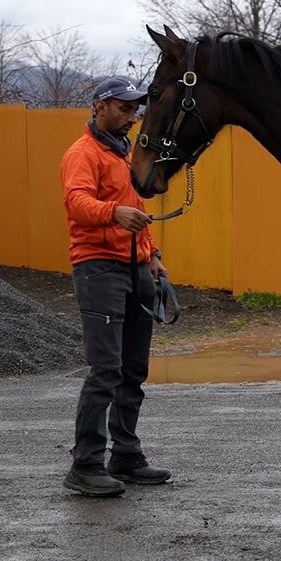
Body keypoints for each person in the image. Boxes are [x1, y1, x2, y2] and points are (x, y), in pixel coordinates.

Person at [59, 76, 172, 497]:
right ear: (100, 106)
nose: (132, 117)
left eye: (136, 110)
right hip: (99, 268)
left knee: (132, 371)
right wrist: (113, 213)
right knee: (105, 370)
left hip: (137, 267)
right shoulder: (82, 154)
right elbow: (76, 202)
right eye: (124, 109)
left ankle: (125, 455)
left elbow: (138, 210)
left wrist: (154, 256)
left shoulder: (125, 154)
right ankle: (85, 465)